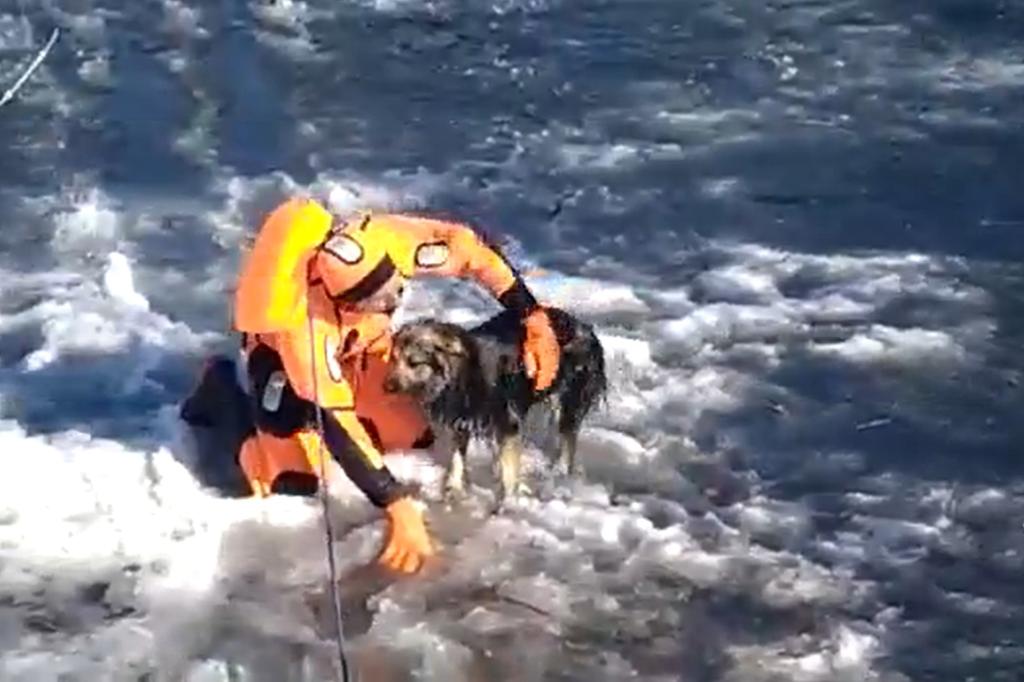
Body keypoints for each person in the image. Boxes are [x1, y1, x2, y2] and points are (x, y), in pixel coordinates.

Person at [231, 196, 561, 574]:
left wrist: (532, 317)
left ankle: (355, 385)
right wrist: (396, 504)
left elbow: (471, 252)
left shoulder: (388, 240)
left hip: (361, 346)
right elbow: (335, 417)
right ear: (345, 300)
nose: (392, 299)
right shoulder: (306, 328)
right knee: (294, 478)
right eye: (377, 299)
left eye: (394, 288)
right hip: (284, 366)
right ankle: (221, 392)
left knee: (410, 436)